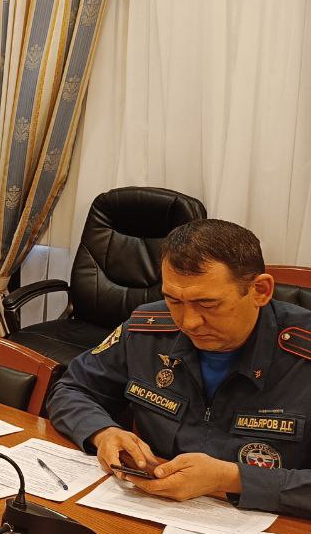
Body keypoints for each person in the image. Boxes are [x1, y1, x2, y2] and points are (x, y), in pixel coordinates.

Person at [49, 219, 311, 518]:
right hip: (150, 510)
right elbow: (72, 388)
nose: (189, 322)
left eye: (208, 304)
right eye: (173, 300)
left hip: (268, 525)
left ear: (260, 291)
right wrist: (102, 432)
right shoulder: (147, 330)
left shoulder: (302, 355)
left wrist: (232, 479)